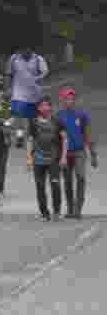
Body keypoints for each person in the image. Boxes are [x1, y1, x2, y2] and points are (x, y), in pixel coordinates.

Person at [57, 88, 98, 219]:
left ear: (74, 100)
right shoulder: (58, 116)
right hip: (65, 153)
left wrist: (93, 154)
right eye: (66, 99)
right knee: (67, 181)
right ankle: (70, 209)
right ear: (62, 100)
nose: (69, 101)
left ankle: (78, 208)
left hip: (79, 151)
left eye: (71, 98)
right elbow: (55, 137)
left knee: (81, 177)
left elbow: (88, 134)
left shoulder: (81, 115)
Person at [27, 96, 67, 221]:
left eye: (46, 105)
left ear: (50, 107)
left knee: (55, 185)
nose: (44, 108)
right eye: (42, 105)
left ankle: (56, 211)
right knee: (40, 187)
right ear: (38, 108)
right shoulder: (33, 122)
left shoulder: (57, 121)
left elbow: (65, 138)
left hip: (54, 159)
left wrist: (63, 157)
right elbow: (30, 140)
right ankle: (44, 213)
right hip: (38, 159)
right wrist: (29, 157)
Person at [8, 45, 49, 121]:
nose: (24, 51)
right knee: (19, 116)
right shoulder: (14, 58)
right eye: (22, 49)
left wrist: (37, 78)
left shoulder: (38, 59)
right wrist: (8, 88)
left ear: (31, 49)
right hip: (18, 95)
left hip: (34, 96)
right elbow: (9, 73)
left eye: (27, 49)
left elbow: (45, 73)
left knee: (32, 120)